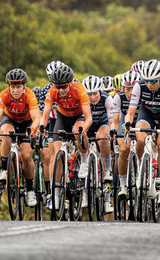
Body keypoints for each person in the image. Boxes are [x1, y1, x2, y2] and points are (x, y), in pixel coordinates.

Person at [125, 59, 160, 207]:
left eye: (154, 81)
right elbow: (131, 112)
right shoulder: (139, 86)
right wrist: (128, 123)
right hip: (146, 113)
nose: (150, 85)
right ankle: (139, 167)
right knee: (140, 139)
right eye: (147, 81)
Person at [40, 64, 92, 209]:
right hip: (62, 118)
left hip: (79, 116)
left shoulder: (79, 89)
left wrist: (84, 129)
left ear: (70, 83)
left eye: (63, 86)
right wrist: (42, 128)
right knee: (56, 156)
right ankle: (55, 194)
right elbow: (45, 115)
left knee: (76, 131)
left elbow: (89, 118)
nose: (61, 90)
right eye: (58, 87)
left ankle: (83, 158)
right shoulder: (52, 91)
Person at [0, 68, 40, 207]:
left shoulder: (30, 96)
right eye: (12, 87)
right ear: (9, 86)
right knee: (5, 133)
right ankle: (4, 170)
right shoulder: (4, 95)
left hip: (26, 124)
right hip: (10, 120)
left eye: (18, 87)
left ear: (24, 86)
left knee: (27, 156)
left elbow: (36, 118)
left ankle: (30, 190)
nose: (15, 90)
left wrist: (33, 130)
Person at [82, 75, 114, 214]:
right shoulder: (82, 100)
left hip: (103, 124)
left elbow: (112, 120)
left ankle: (107, 169)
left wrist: (112, 130)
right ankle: (84, 193)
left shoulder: (107, 99)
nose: (92, 97)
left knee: (102, 138)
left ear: (100, 91)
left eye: (95, 94)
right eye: (89, 94)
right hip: (88, 125)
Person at [39, 60, 64, 208]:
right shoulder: (46, 91)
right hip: (53, 121)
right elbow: (44, 114)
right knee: (49, 155)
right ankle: (51, 191)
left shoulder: (71, 85)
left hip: (69, 119)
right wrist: (42, 128)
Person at [111, 70, 140, 198]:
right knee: (123, 149)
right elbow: (115, 120)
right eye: (127, 89)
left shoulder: (143, 96)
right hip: (124, 121)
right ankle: (122, 185)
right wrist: (113, 130)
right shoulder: (119, 97)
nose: (130, 92)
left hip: (140, 121)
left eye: (133, 88)